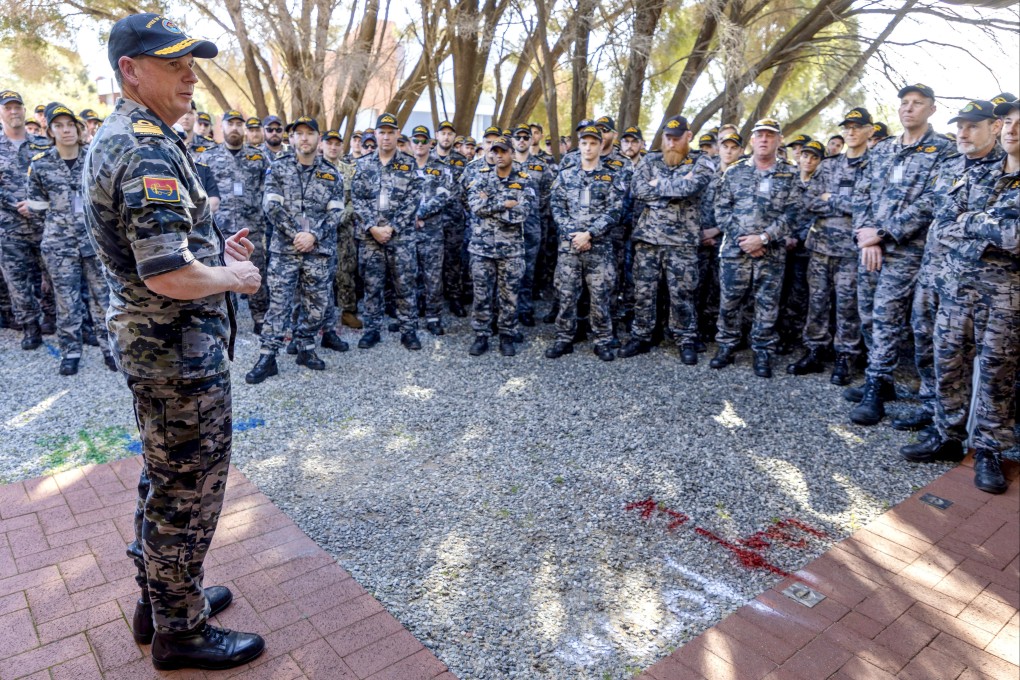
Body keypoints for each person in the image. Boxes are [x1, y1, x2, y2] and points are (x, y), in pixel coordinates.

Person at [83, 13, 264, 670]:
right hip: (176, 353)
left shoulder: (133, 135)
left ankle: (158, 599)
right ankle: (179, 630)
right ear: (130, 69)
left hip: (159, 350)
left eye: (193, 62)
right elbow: (168, 273)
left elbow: (166, 247)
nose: (191, 74)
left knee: (165, 481)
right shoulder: (146, 147)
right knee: (189, 491)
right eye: (173, 62)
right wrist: (233, 276)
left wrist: (215, 249)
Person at [901, 98, 1019, 495]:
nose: (1012, 131)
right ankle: (947, 435)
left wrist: (974, 225)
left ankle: (988, 449)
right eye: (1010, 124)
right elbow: (946, 220)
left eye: (1015, 124)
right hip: (954, 288)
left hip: (1004, 295)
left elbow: (1014, 238)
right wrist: (983, 228)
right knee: (948, 362)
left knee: (996, 375)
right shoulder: (979, 172)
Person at [848, 83, 954, 425]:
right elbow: (862, 194)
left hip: (909, 251)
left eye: (917, 103)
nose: (908, 109)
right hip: (870, 249)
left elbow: (932, 202)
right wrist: (866, 236)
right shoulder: (882, 150)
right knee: (867, 313)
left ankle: (876, 388)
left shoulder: (943, 151)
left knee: (887, 316)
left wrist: (883, 233)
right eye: (904, 103)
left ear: (932, 109)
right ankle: (884, 379)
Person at [247, 115, 345, 382]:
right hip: (285, 251)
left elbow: (336, 212)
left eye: (309, 133)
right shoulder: (278, 168)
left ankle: (305, 347)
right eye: (298, 133)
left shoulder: (331, 173)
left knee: (317, 305)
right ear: (291, 138)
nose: (304, 137)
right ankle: (268, 356)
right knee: (278, 304)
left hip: (318, 252)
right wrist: (297, 234)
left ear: (318, 138)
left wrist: (312, 235)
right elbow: (271, 206)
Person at [26, 103, 116, 375]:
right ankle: (71, 351)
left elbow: (109, 200)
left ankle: (109, 349)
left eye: (70, 125)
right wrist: (58, 229)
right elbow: (37, 209)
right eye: (59, 126)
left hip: (95, 242)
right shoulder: (40, 165)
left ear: (79, 129)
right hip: (59, 246)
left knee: (103, 299)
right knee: (67, 300)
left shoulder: (95, 158)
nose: (66, 131)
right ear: (50, 132)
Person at [620, 114, 715, 363]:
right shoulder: (650, 159)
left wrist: (658, 184)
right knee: (644, 292)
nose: (671, 143)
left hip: (682, 242)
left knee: (683, 293)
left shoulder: (702, 162)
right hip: (648, 241)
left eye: (676, 138)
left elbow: (691, 188)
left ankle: (685, 338)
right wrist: (674, 185)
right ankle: (642, 336)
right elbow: (638, 189)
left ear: (688, 137)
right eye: (667, 138)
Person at [710, 118, 800, 377]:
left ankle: (762, 351)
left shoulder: (789, 174)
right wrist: (745, 239)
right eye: (760, 135)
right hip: (735, 252)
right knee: (729, 301)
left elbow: (792, 213)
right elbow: (722, 210)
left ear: (779, 140)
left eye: (770, 136)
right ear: (751, 139)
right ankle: (726, 345)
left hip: (770, 253)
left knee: (767, 304)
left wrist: (763, 239)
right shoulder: (735, 172)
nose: (764, 139)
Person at [789, 109, 873, 385]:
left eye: (857, 127)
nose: (851, 132)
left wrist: (832, 198)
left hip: (851, 250)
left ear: (869, 131)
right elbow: (810, 201)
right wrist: (843, 202)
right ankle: (814, 349)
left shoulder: (874, 165)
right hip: (821, 247)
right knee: (817, 302)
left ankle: (845, 356)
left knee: (848, 305)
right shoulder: (829, 165)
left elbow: (868, 206)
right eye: (847, 127)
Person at [546, 125, 627, 361]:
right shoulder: (567, 174)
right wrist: (574, 234)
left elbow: (615, 211)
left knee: (600, 295)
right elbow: (557, 207)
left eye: (593, 143)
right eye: (584, 143)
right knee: (567, 293)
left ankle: (602, 340)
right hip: (570, 246)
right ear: (579, 145)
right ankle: (564, 338)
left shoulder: (612, 175)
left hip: (599, 247)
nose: (589, 147)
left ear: (601, 146)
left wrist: (589, 233)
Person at [350, 112, 424, 350]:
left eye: (391, 132)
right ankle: (372, 329)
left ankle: (408, 330)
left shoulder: (409, 164)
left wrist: (391, 228)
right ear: (376, 134)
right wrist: (372, 227)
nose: (386, 137)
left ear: (397, 135)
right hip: (371, 239)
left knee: (405, 285)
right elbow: (357, 200)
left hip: (400, 238)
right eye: (382, 132)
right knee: (372, 285)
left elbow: (413, 200)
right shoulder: (363, 165)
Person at [197, 110, 270, 330]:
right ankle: (229, 317)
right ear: (223, 127)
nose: (235, 128)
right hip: (220, 228)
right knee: (223, 273)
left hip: (252, 227)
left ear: (245, 129)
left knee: (257, 271)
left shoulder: (258, 157)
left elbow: (268, 189)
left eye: (240, 124)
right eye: (231, 123)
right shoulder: (208, 157)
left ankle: (259, 317)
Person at [464, 135, 536, 356]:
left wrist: (491, 205)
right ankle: (481, 335)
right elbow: (476, 207)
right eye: (494, 151)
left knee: (509, 296)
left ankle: (507, 334)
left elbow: (523, 212)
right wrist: (504, 204)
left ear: (512, 153)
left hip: (511, 250)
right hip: (481, 248)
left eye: (503, 151)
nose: (498, 155)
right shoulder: (480, 177)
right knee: (482, 294)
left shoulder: (524, 179)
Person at [0, 89, 56, 350]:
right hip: (9, 229)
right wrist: (16, 204)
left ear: (24, 110)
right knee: (18, 282)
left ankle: (53, 320)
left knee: (53, 276)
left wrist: (35, 205)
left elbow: (54, 181)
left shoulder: (42, 144)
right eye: (8, 107)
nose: (14, 111)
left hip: (43, 226)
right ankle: (30, 327)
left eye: (17, 107)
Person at [410, 124, 455, 335]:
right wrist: (411, 215)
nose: (419, 144)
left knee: (433, 277)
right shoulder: (402, 167)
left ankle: (433, 316)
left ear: (430, 143)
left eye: (423, 141)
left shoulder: (441, 167)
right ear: (411, 143)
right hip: (407, 231)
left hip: (432, 232)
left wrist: (421, 213)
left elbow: (445, 194)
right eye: (415, 140)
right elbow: (395, 197)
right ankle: (410, 317)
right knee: (408, 275)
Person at [511, 122, 554, 328]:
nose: (521, 140)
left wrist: (535, 212)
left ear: (530, 140)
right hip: (507, 227)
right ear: (512, 140)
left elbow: (547, 194)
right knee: (508, 271)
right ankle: (507, 312)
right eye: (518, 137)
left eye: (525, 137)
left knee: (528, 270)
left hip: (532, 225)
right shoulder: (503, 163)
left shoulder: (540, 166)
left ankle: (526, 309)